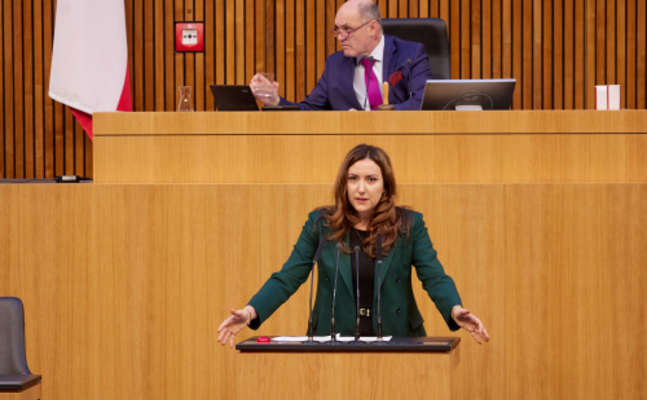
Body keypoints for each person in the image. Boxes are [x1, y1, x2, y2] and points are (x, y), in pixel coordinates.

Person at [217, 144, 489, 348]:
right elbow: (288, 277)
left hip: (398, 339)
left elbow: (434, 276)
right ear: (344, 184)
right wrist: (251, 311)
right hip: (333, 338)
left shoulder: (409, 225)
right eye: (353, 178)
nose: (361, 188)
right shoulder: (321, 225)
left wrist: (454, 309)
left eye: (371, 180)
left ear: (385, 186)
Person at [249, 0, 432, 111]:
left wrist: (369, 117)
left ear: (372, 28)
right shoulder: (335, 64)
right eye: (337, 30)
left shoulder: (410, 54)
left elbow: (422, 103)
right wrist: (275, 101)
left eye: (347, 29)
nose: (341, 37)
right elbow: (310, 110)